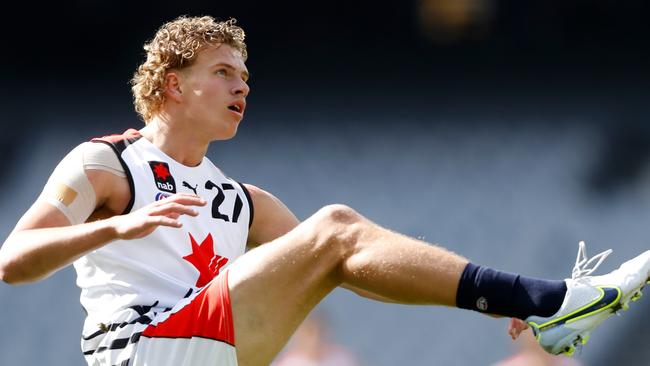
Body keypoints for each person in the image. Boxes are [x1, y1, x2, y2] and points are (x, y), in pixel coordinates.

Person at [0, 15, 647, 366]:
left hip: (207, 354)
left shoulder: (242, 202)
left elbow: (356, 267)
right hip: (141, 352)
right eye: (223, 73)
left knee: (337, 235)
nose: (241, 87)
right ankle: (549, 300)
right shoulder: (107, 163)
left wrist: (487, 303)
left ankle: (540, 304)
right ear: (171, 84)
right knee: (334, 223)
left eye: (245, 75)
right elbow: (12, 262)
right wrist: (114, 228)